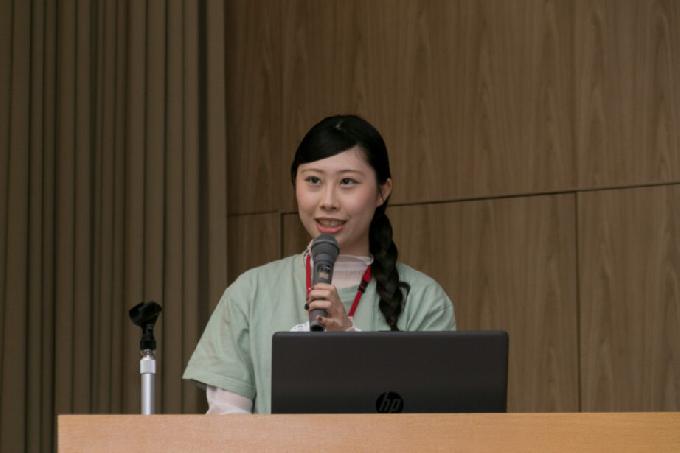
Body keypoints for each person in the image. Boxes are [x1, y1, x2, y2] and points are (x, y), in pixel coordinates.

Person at [183, 114, 456, 414]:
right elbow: (226, 422)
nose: (328, 201)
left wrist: (350, 342)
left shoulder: (424, 299)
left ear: (382, 191)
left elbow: (433, 423)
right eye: (313, 180)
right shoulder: (251, 291)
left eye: (347, 182)